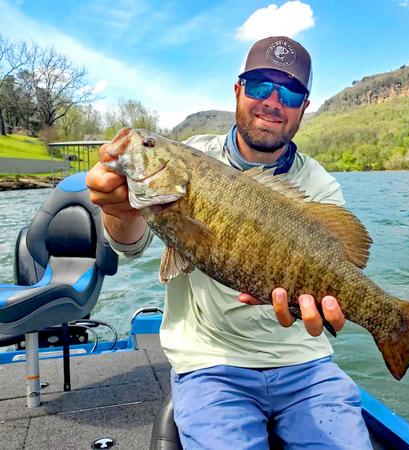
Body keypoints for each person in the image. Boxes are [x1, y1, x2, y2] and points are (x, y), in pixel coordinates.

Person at [87, 36, 372, 449]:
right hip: (210, 363)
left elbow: (338, 275)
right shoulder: (192, 156)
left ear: (303, 108)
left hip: (304, 364)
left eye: (290, 92)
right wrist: (119, 211)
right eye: (259, 86)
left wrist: (325, 313)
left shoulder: (320, 185)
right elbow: (130, 247)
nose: (273, 101)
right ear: (238, 91)